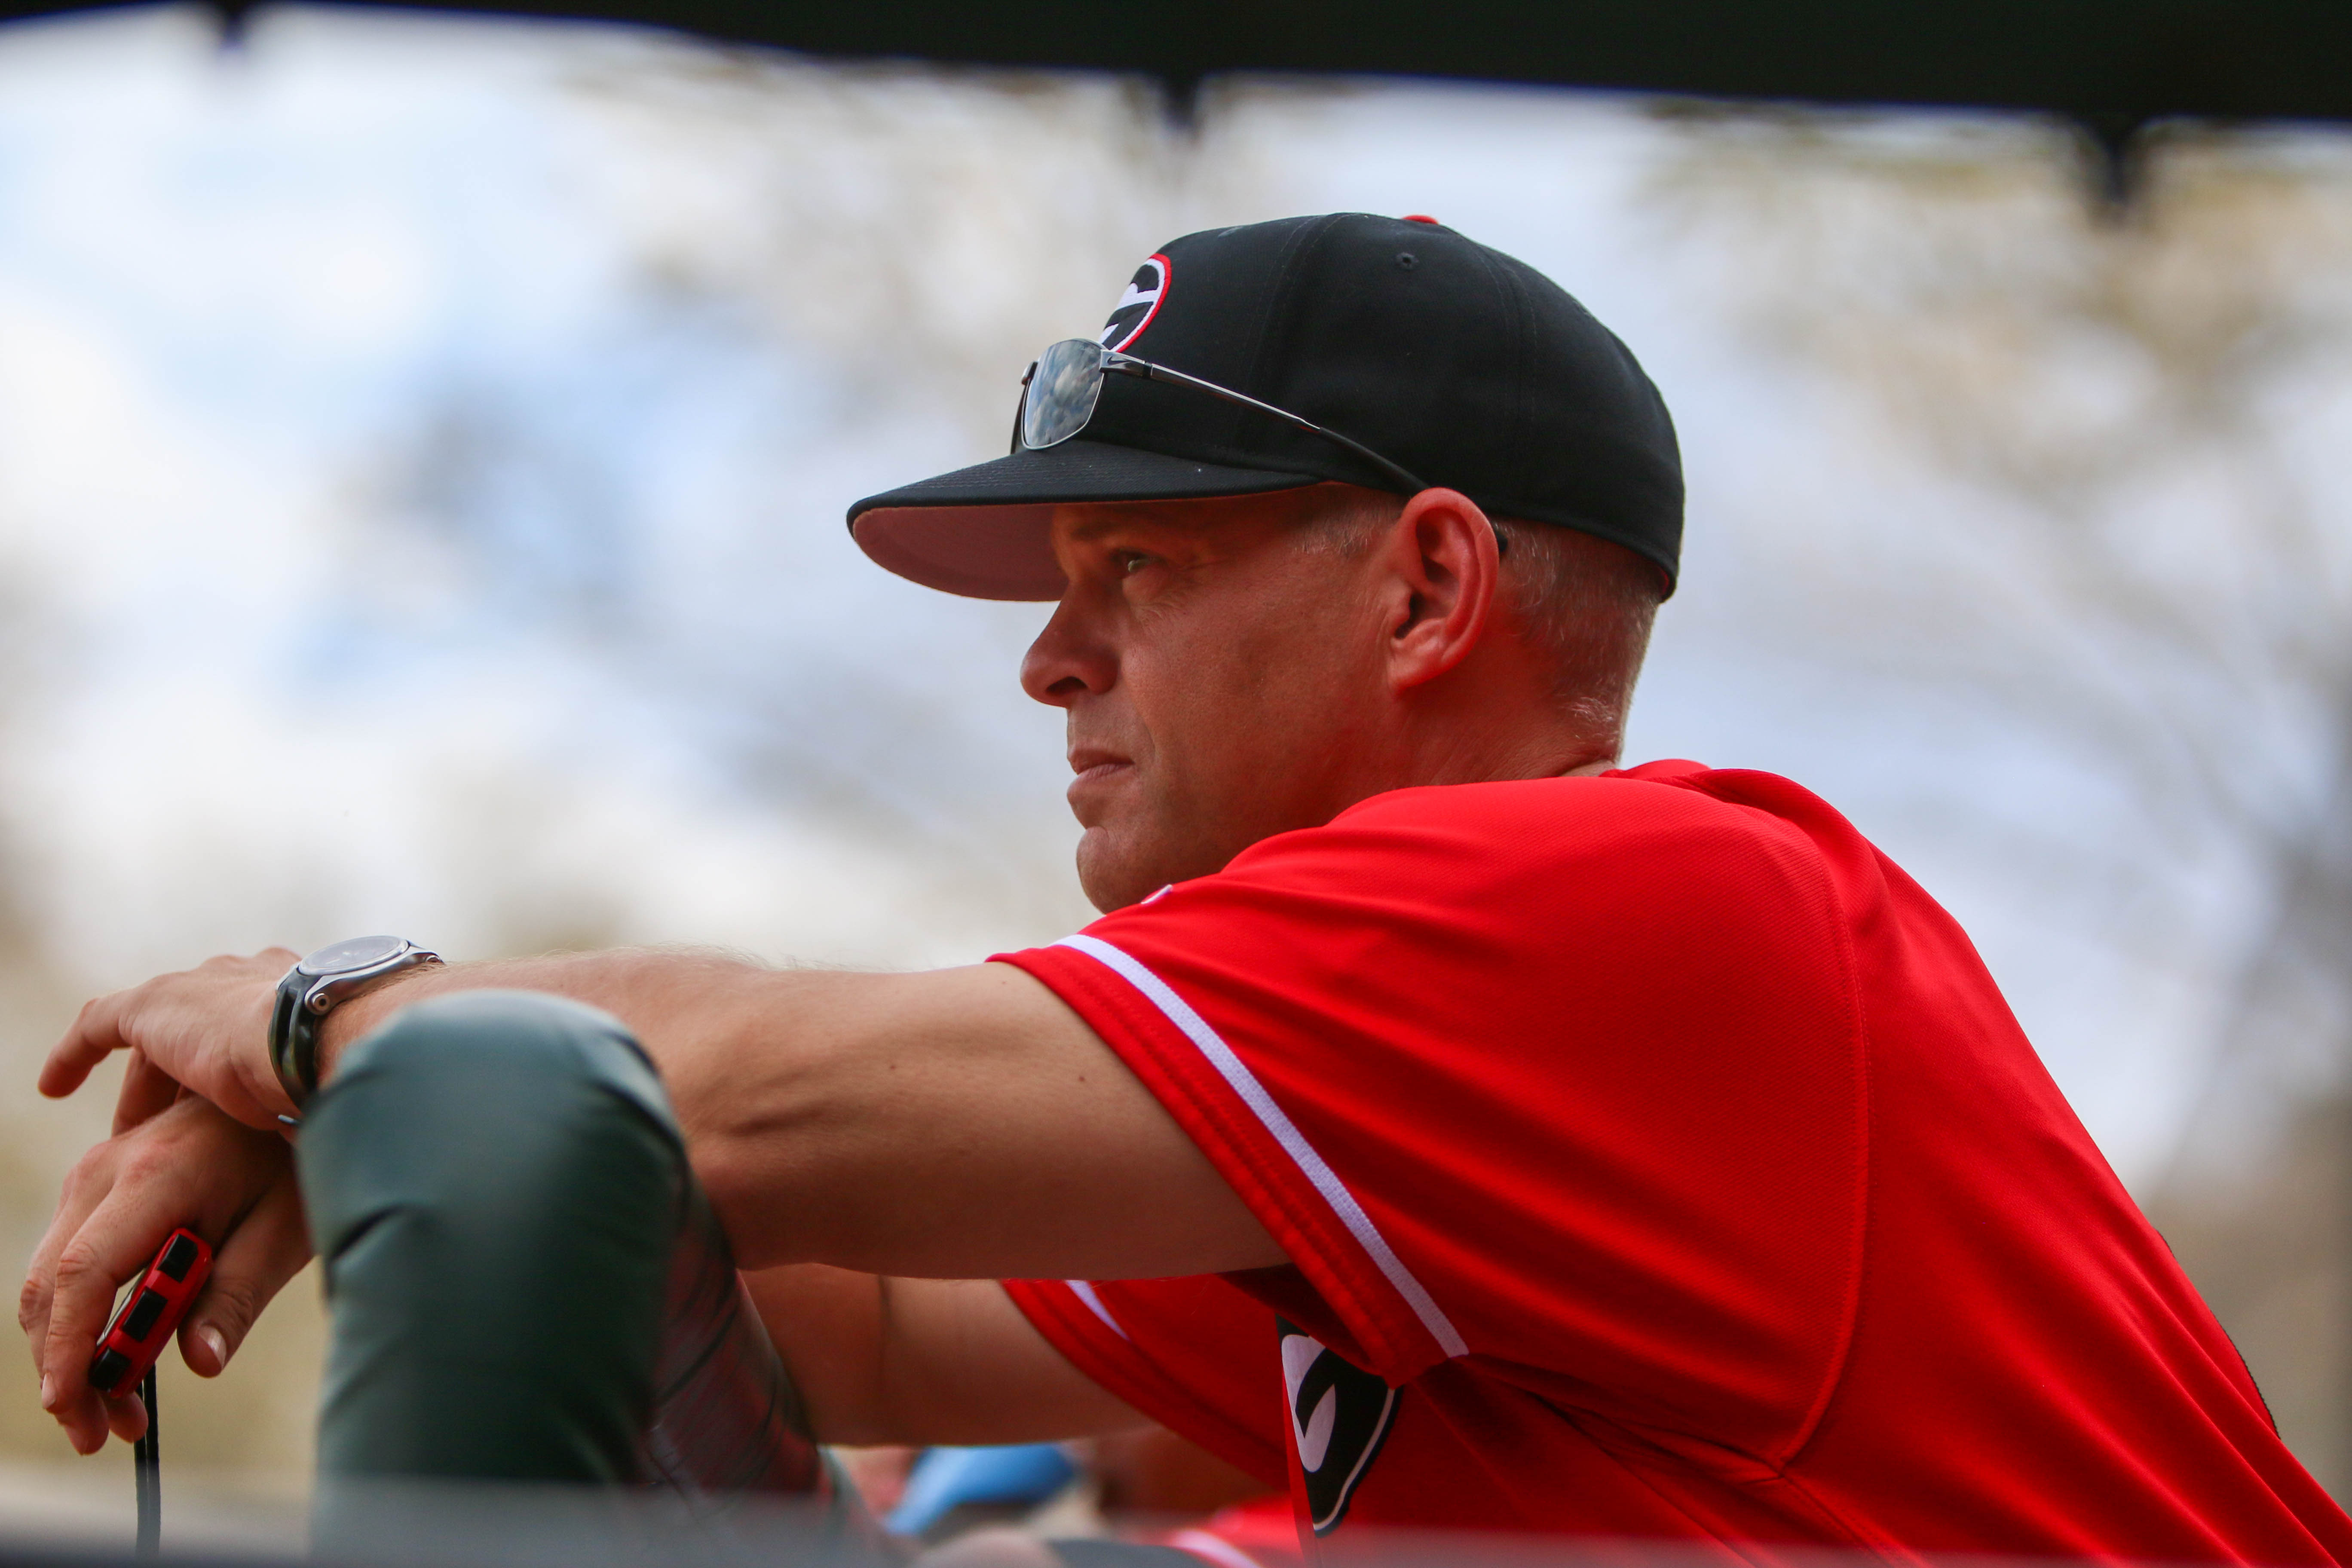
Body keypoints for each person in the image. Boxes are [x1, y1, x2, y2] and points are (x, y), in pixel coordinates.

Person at [18, 212, 2352, 1565]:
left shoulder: (1623, 914)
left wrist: (323, 1022)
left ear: (1433, 590)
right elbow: (863, 1323)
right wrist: (385, 1132)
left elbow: (726, 1093)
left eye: (1131, 565)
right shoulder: (1432, 1157)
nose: (1048, 655)